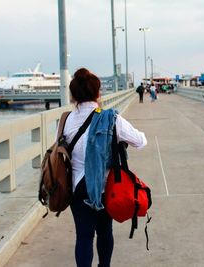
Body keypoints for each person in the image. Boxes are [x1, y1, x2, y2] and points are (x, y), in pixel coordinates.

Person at [65, 68, 147, 267]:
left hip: (77, 187)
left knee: (83, 237)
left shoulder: (66, 120)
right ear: (98, 93)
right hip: (103, 187)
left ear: (74, 95)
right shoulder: (110, 118)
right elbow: (141, 141)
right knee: (104, 232)